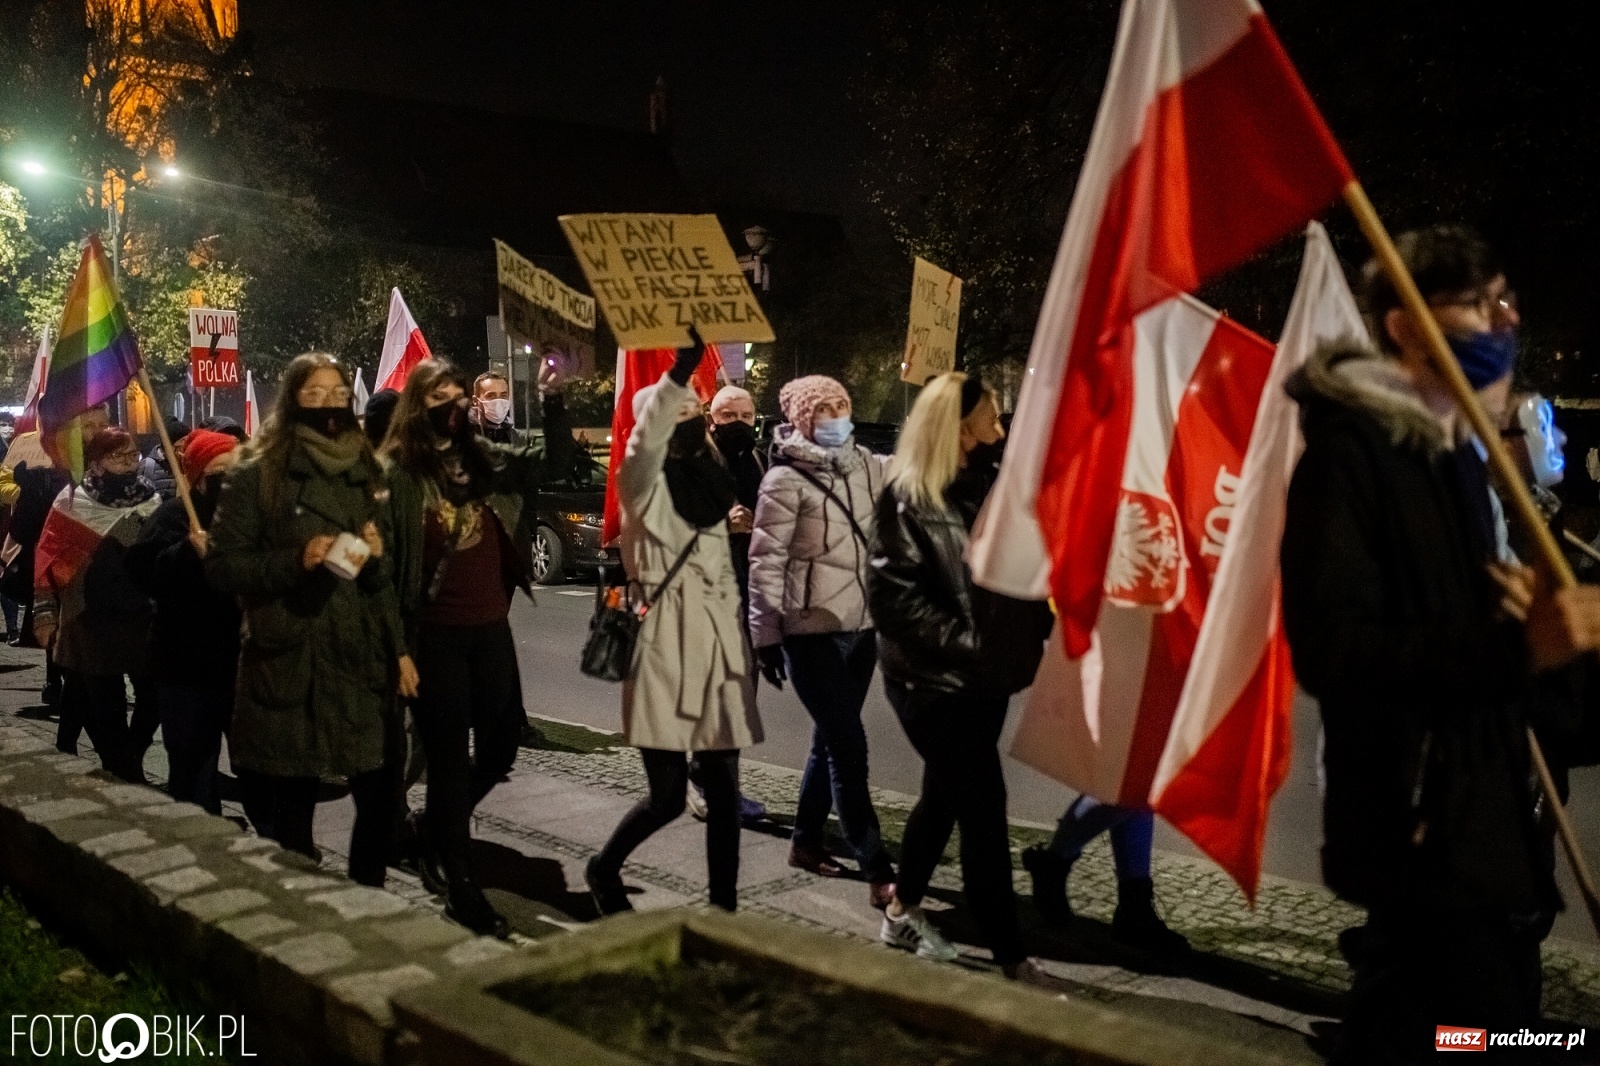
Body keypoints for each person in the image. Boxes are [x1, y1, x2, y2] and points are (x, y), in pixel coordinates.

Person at [1280, 225, 1600, 1063]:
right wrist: (1521, 646)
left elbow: (1500, 655)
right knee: (1480, 1039)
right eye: (1480, 303)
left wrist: (1564, 661)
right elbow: (1335, 653)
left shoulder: (1459, 461)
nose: (1505, 321)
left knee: (1475, 1035)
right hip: (1421, 837)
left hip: (1489, 840)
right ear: (1405, 326)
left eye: (1508, 301)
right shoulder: (1351, 460)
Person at [382, 357, 576, 937]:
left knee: (498, 748)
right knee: (445, 756)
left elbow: (555, 462)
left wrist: (554, 402)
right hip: (434, 633)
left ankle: (439, 826)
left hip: (491, 626)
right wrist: (399, 650)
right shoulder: (397, 471)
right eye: (440, 396)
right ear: (419, 404)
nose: (455, 405)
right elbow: (385, 567)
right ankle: (461, 884)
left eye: (459, 394)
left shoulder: (479, 458)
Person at [206, 353, 416, 887]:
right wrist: (295, 560)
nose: (328, 404)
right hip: (291, 658)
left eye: (338, 393)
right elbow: (224, 567)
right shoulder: (257, 473)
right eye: (315, 394)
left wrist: (376, 561)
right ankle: (303, 910)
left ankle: (368, 897)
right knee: (292, 806)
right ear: (292, 399)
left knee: (380, 792)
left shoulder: (369, 470)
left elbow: (379, 581)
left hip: (358, 659)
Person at [866, 372, 1047, 984]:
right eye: (990, 419)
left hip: (984, 680)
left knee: (943, 796)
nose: (999, 430)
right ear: (960, 426)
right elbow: (896, 602)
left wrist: (1032, 630)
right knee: (983, 807)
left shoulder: (994, 488)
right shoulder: (908, 495)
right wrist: (976, 647)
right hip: (932, 684)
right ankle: (1008, 956)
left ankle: (900, 909)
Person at [585, 333, 763, 915]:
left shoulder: (710, 480)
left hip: (714, 644)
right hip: (661, 644)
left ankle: (723, 910)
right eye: (678, 412)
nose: (690, 417)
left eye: (695, 411)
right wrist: (681, 368)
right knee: (665, 798)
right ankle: (603, 866)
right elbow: (645, 437)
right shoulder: (641, 479)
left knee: (725, 788)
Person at [747, 374, 895, 904]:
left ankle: (806, 841)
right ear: (802, 418)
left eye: (842, 405)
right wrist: (764, 637)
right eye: (823, 408)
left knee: (829, 741)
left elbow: (925, 465)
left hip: (861, 629)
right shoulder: (783, 481)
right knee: (848, 748)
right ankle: (876, 864)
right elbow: (765, 564)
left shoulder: (869, 468)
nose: (835, 414)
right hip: (809, 631)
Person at [32, 428, 161, 783]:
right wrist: (44, 614)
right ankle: (127, 775)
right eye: (117, 457)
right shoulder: (72, 502)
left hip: (141, 617)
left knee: (153, 698)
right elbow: (47, 559)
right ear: (97, 463)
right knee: (108, 706)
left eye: (133, 455)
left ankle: (127, 758)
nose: (128, 463)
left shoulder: (151, 499)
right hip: (89, 619)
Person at [125, 429, 243, 814]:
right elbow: (147, 575)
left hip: (243, 665)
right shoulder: (174, 517)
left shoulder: (251, 514)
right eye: (218, 469)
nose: (229, 477)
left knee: (255, 769)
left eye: (236, 466)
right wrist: (187, 553)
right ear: (197, 476)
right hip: (188, 667)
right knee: (194, 771)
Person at [685, 384, 768, 827]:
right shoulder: (696, 461)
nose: (737, 421)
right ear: (710, 417)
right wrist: (723, 524)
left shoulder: (758, 459)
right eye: (727, 414)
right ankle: (713, 788)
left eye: (745, 413)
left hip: (752, 588)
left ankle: (710, 778)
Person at [139, 418, 190, 499]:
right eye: (181, 447)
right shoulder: (146, 467)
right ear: (167, 445)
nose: (185, 450)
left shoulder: (189, 465)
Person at [470, 371, 524, 446]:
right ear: (475, 401)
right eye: (491, 396)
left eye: (503, 395)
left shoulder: (518, 438)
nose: (498, 401)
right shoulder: (466, 437)